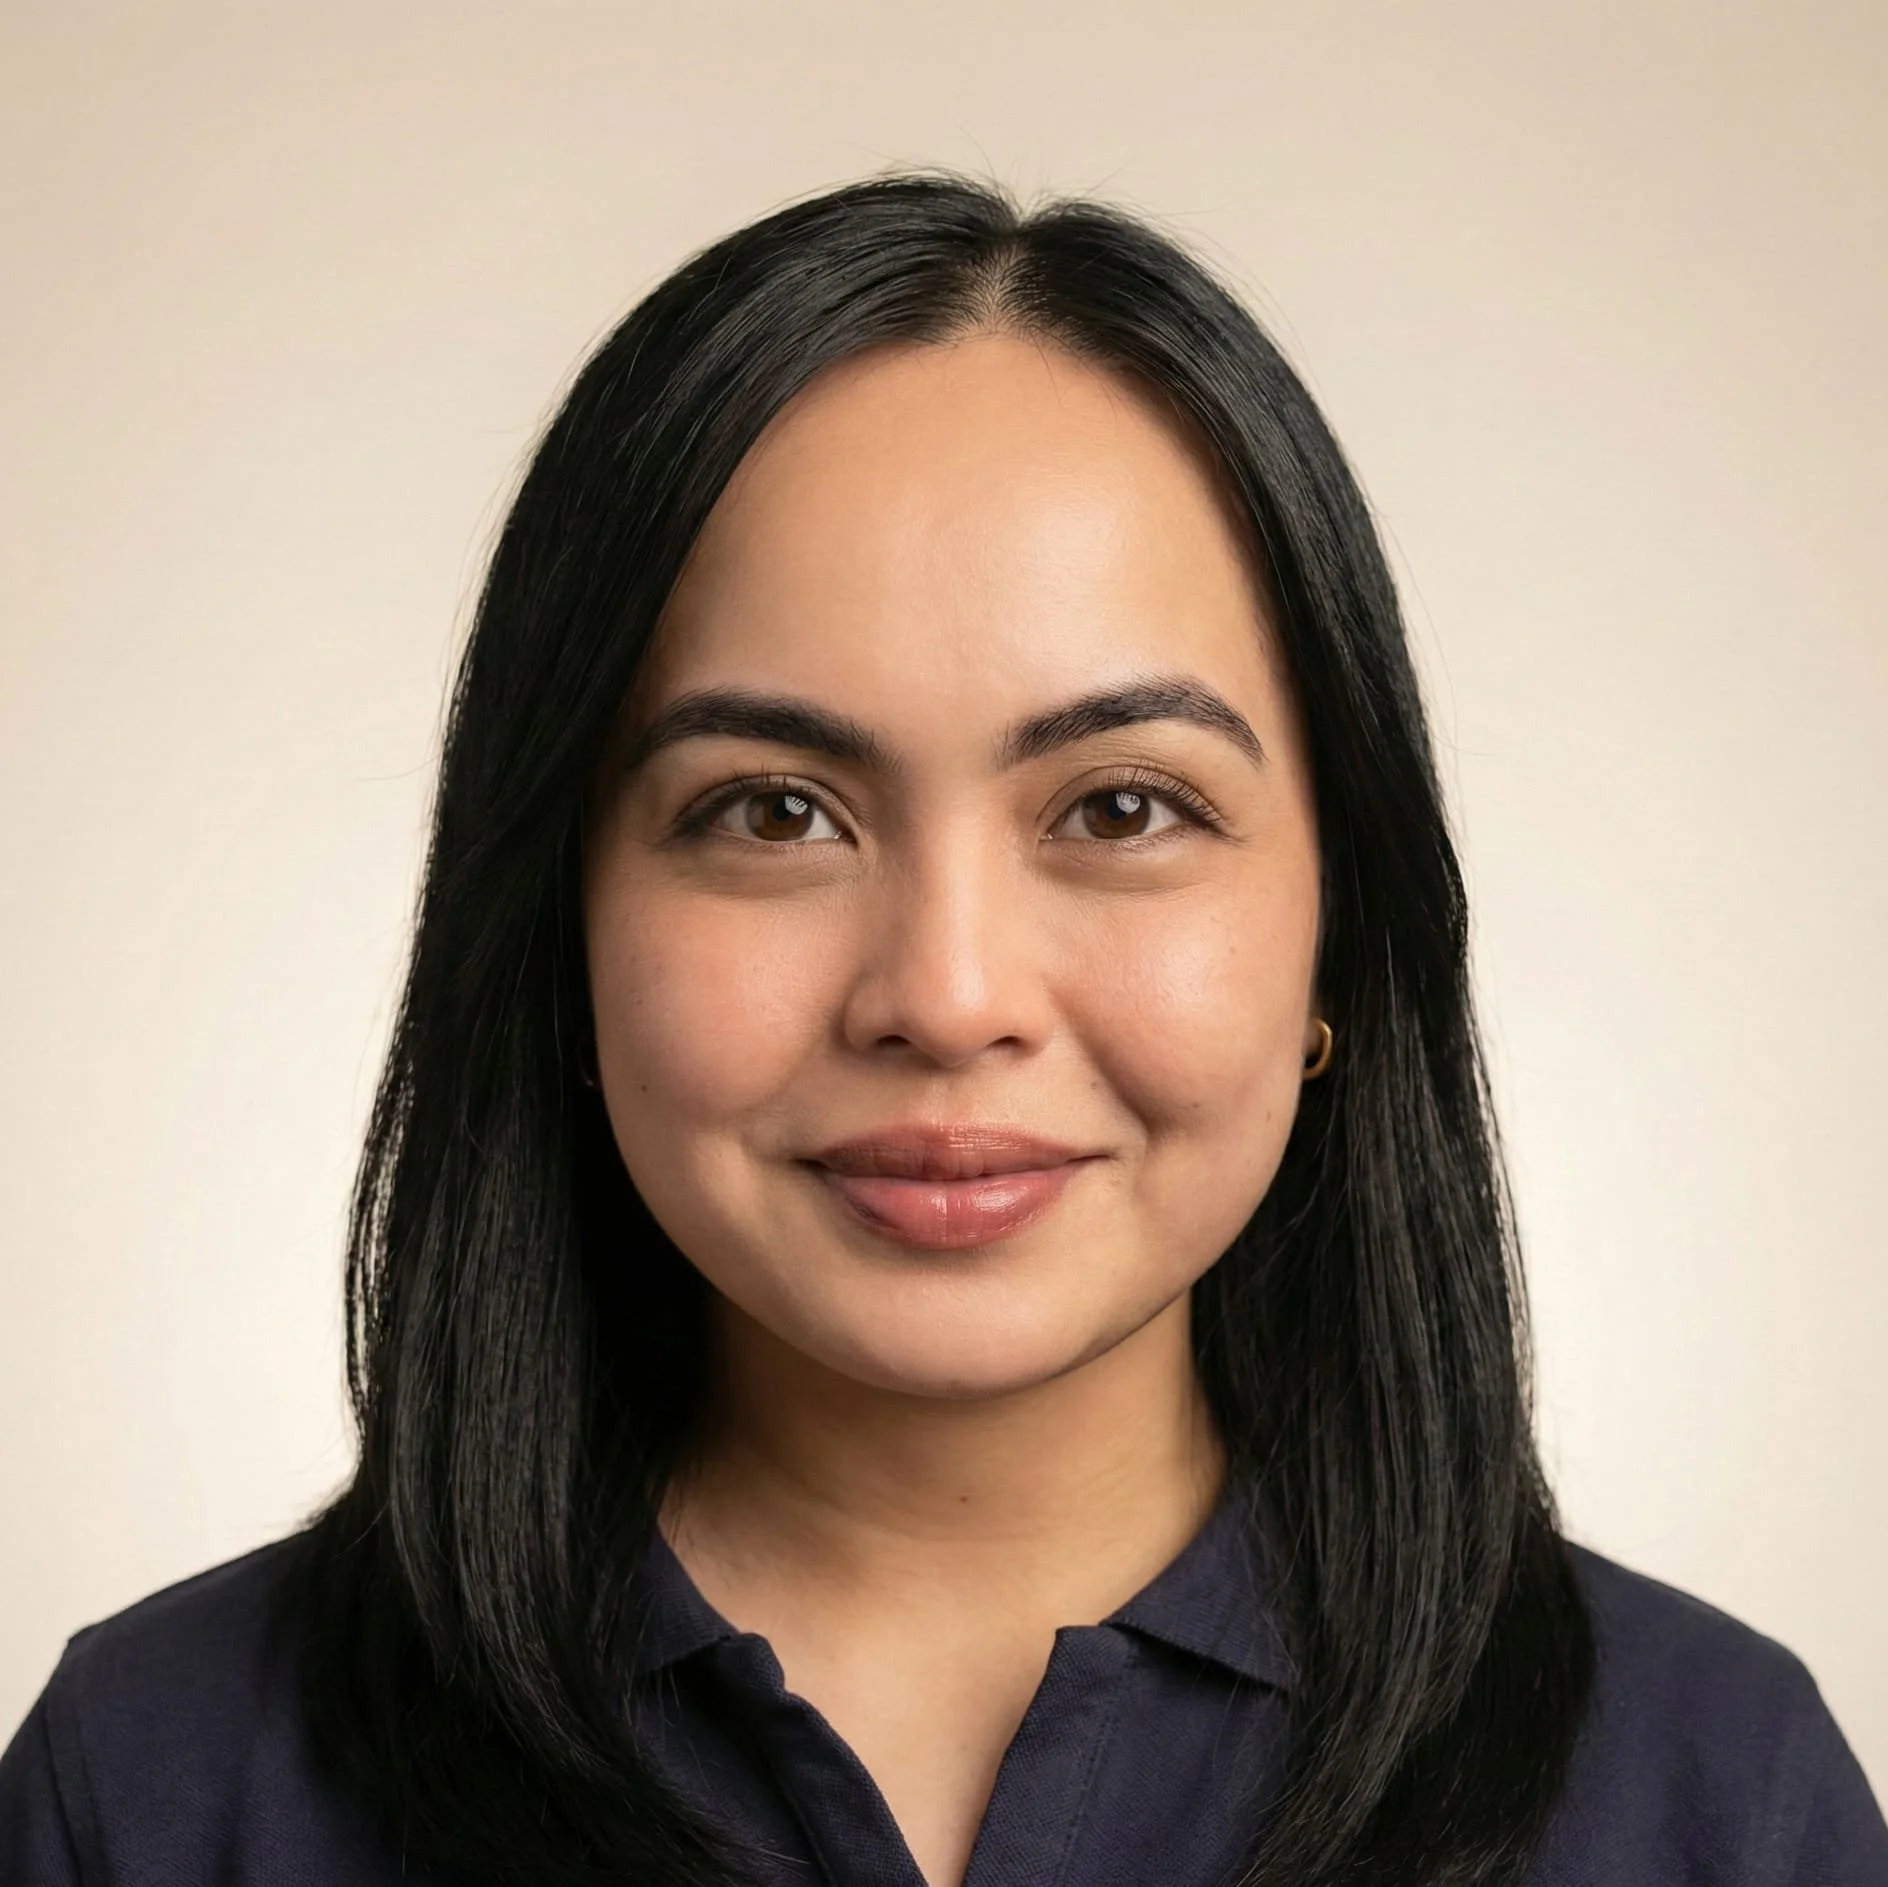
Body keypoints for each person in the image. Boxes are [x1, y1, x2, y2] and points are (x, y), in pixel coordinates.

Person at [2, 171, 1882, 1887]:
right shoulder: (160, 1785)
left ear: (1338, 942)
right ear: (557, 926)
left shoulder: (1711, 1794)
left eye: (1122, 809)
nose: (949, 995)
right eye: (771, 811)